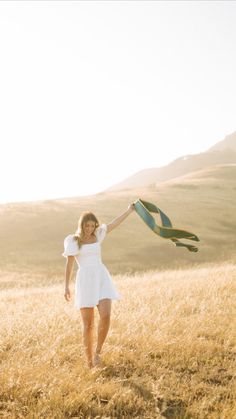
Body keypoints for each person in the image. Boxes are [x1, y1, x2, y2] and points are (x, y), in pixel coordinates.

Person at [62, 202, 135, 369]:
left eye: (92, 225)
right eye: (86, 225)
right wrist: (66, 286)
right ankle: (89, 363)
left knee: (106, 315)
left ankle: (97, 352)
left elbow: (114, 224)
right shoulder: (73, 241)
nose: (89, 228)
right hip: (85, 281)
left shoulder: (98, 235)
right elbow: (69, 265)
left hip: (101, 278)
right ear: (81, 225)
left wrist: (129, 210)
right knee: (88, 325)